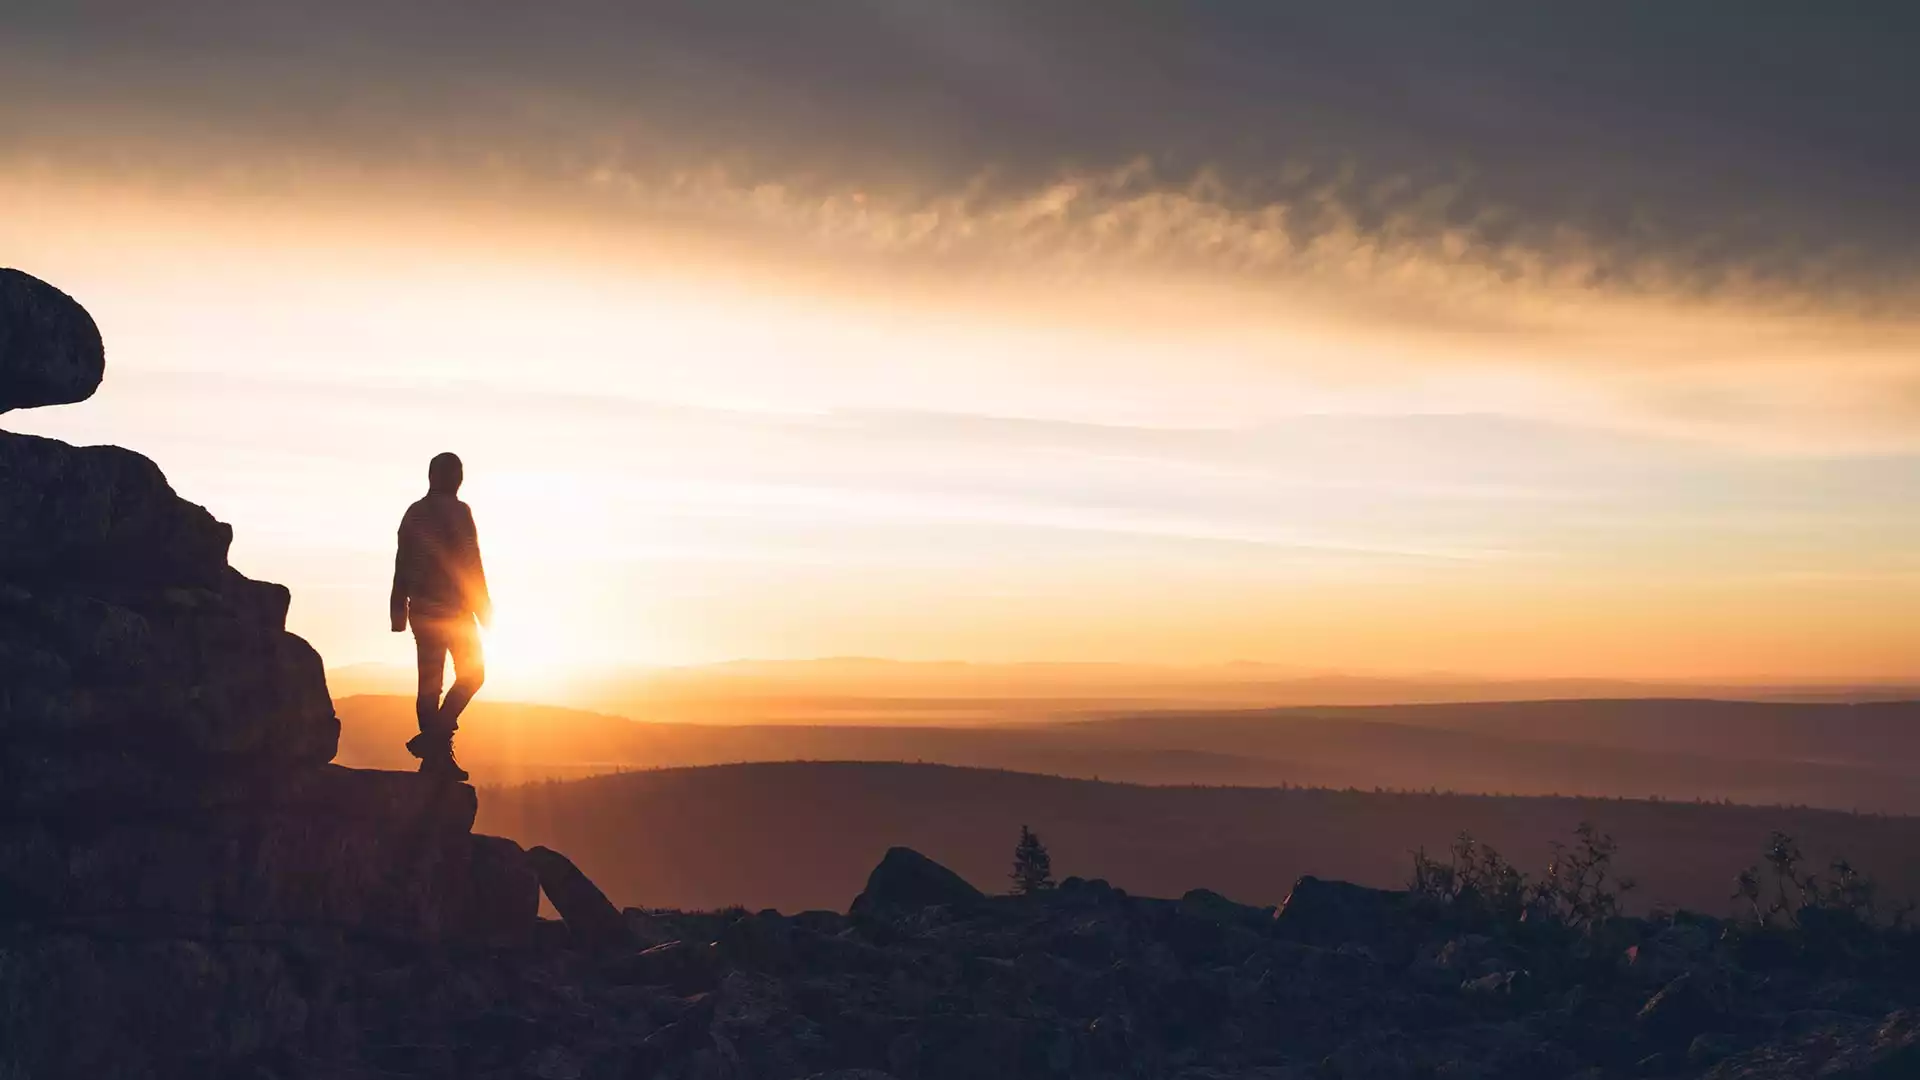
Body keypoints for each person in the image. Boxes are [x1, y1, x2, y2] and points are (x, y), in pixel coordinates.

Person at [389, 451, 490, 780]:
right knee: (473, 675)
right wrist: (483, 607)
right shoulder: (460, 512)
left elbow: (401, 563)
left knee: (429, 687)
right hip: (455, 612)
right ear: (452, 478)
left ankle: (434, 757)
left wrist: (397, 611)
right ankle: (435, 745)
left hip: (421, 612)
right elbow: (470, 561)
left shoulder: (413, 514)